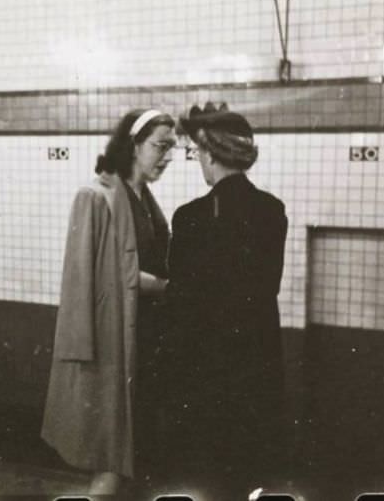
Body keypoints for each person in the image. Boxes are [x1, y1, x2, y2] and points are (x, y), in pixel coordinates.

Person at [41, 109, 177, 497]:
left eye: (173, 148)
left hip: (146, 338)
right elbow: (90, 277)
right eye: (160, 146)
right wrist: (171, 287)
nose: (167, 156)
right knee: (111, 461)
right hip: (113, 341)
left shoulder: (145, 198)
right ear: (133, 144)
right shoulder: (95, 196)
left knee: (133, 456)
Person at [163, 102, 288, 499]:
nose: (199, 160)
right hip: (259, 365)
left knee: (206, 476)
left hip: (206, 371)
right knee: (247, 475)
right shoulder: (273, 211)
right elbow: (265, 288)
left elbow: (182, 302)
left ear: (212, 155)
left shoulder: (190, 218)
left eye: (199, 152)